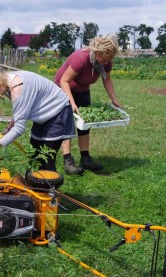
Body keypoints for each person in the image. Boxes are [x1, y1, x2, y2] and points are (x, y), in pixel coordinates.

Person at [0, 67, 76, 172]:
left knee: (46, 159)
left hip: (57, 111)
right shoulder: (7, 78)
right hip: (43, 112)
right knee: (34, 155)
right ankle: (34, 184)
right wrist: (8, 128)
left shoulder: (17, 88)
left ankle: (49, 186)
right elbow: (21, 111)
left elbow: (19, 129)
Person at [55, 34, 122, 175]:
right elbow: (64, 80)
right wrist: (71, 102)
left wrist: (114, 99)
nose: (106, 62)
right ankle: (68, 161)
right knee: (67, 123)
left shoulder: (106, 61)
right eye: (104, 58)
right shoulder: (81, 58)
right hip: (63, 88)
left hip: (83, 89)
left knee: (85, 123)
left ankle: (85, 158)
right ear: (97, 52)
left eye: (109, 59)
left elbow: (107, 79)